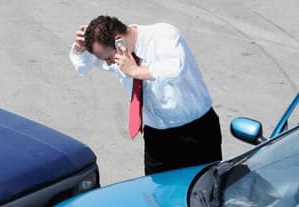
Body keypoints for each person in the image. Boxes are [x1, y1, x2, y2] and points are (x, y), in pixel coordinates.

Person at [69, 15, 222, 175]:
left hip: (195, 132)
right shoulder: (119, 54)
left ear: (119, 40)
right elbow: (82, 67)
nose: (108, 64)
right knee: (156, 193)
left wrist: (135, 71)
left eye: (108, 58)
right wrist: (80, 49)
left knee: (205, 192)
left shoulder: (163, 34)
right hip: (156, 137)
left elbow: (175, 69)